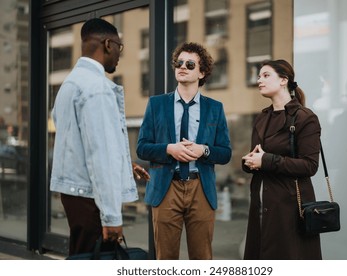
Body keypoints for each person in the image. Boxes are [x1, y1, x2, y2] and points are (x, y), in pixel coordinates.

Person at [50, 18, 149, 256]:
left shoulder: (69, 85)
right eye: (119, 47)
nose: (119, 55)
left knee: (82, 258)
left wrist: (124, 165)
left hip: (75, 195)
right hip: (91, 198)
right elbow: (100, 155)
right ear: (107, 44)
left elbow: (78, 142)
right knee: (95, 261)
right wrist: (112, 216)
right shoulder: (97, 88)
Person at [137, 42, 232, 260]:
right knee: (166, 259)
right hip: (165, 188)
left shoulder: (214, 108)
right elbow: (142, 147)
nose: (182, 67)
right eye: (179, 63)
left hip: (201, 188)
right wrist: (169, 149)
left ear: (202, 72)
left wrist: (203, 150)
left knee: (202, 259)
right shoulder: (156, 104)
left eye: (190, 64)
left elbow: (225, 153)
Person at [241, 59, 322, 259]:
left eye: (266, 75)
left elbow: (310, 166)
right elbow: (258, 156)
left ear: (284, 80)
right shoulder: (262, 117)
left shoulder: (305, 118)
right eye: (259, 76)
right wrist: (250, 162)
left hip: (289, 209)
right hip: (260, 203)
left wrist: (266, 160)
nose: (259, 80)